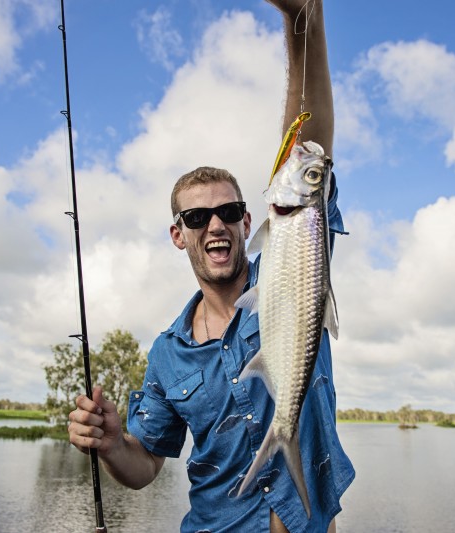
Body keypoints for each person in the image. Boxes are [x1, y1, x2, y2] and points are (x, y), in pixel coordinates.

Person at [68, 1, 354, 531]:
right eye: (197, 216)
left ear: (250, 221)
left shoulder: (294, 268)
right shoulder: (167, 354)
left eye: (227, 212)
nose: (214, 225)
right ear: (179, 235)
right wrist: (111, 444)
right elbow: (146, 462)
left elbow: (308, 141)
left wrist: (303, 26)